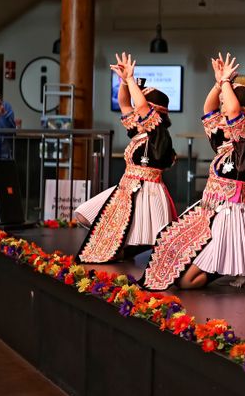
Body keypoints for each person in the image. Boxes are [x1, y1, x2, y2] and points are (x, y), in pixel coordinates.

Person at [142, 53, 245, 290]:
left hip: (230, 221)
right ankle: (222, 261)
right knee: (171, 255)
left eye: (227, 112)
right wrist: (217, 84)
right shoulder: (224, 144)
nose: (221, 115)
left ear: (243, 117)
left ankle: (226, 263)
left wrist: (226, 83)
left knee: (187, 282)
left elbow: (231, 111)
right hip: (210, 216)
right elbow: (209, 109)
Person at [75, 54, 177, 264]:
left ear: (154, 113)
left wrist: (131, 79)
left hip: (147, 191)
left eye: (144, 110)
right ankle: (128, 251)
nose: (138, 114)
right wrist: (123, 81)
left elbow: (140, 108)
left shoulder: (158, 134)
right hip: (126, 189)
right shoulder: (138, 131)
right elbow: (124, 103)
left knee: (153, 239)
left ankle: (131, 252)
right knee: (84, 215)